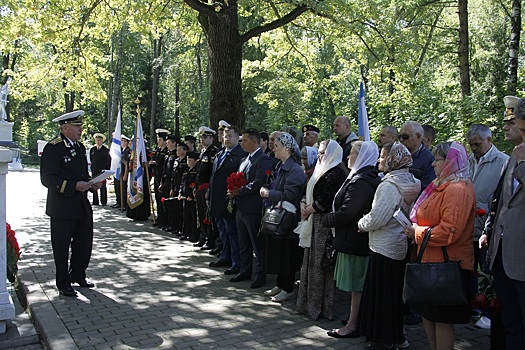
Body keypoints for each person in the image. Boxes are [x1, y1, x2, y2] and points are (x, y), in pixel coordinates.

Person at [405, 141, 475, 350]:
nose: (433, 164)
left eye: (437, 159)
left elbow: (449, 231)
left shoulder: (457, 189)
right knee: (429, 314)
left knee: (442, 318)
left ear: (451, 162)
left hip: (447, 264)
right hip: (430, 261)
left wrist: (416, 232)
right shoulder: (440, 184)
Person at [357, 142, 421, 348]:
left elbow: (378, 217)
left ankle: (384, 339)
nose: (379, 160)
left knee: (382, 295)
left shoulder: (388, 186)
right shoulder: (413, 181)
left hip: (383, 245)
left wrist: (361, 224)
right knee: (394, 295)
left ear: (393, 159)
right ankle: (397, 335)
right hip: (400, 243)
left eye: (383, 157)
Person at [321, 141, 380, 337]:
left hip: (355, 241)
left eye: (352, 154)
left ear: (361, 157)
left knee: (357, 285)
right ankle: (356, 319)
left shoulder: (362, 181)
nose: (347, 157)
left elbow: (348, 211)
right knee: (356, 286)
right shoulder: (358, 177)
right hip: (352, 239)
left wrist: (326, 219)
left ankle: (353, 325)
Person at [40, 110, 101, 297]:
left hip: (81, 205)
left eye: (80, 126)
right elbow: (48, 179)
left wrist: (92, 183)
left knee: (84, 242)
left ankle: (78, 274)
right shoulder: (54, 148)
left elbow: (82, 175)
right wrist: (74, 186)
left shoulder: (80, 147)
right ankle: (63, 282)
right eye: (77, 126)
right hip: (62, 207)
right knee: (61, 246)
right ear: (65, 128)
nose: (80, 129)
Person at [482, 96, 525, 350]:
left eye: (512, 122)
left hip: (521, 260)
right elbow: (503, 203)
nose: (507, 127)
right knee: (511, 325)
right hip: (503, 256)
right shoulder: (512, 156)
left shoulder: (517, 159)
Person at [296, 139, 347, 321]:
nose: (319, 155)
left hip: (324, 224)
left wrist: (309, 209)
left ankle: (320, 308)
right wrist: (303, 204)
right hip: (312, 220)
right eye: (319, 151)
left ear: (332, 153)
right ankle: (307, 304)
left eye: (323, 152)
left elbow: (326, 200)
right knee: (310, 264)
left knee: (321, 266)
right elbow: (307, 190)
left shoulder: (337, 172)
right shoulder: (320, 169)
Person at [466, 123, 508, 329]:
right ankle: (473, 306)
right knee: (469, 269)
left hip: (487, 226)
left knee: (487, 270)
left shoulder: (503, 162)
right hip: (467, 227)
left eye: (477, 144)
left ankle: (489, 312)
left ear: (489, 140)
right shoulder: (469, 161)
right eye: (471, 145)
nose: (474, 148)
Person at [259, 133, 306, 302]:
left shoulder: (294, 169)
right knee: (279, 253)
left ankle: (288, 287)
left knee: (287, 255)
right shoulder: (282, 165)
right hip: (281, 217)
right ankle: (280, 284)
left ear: (287, 149)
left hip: (289, 219)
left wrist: (268, 193)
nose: (274, 148)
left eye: (277, 146)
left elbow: (290, 194)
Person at [228, 128, 271, 288]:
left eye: (245, 140)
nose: (242, 143)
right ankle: (245, 270)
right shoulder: (244, 159)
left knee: (256, 243)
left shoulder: (263, 159)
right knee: (243, 241)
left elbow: (260, 182)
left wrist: (241, 191)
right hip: (241, 206)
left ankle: (261, 275)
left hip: (253, 208)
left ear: (254, 141)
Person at [208, 125, 247, 274]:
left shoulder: (241, 155)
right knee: (222, 231)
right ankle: (225, 256)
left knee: (233, 232)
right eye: (225, 136)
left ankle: (236, 262)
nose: (227, 139)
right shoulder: (220, 154)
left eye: (230, 136)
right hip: (217, 200)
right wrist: (209, 194)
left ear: (238, 137)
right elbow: (214, 177)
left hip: (230, 202)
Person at [193, 126, 219, 248]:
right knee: (201, 213)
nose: (202, 139)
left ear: (211, 139)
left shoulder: (214, 152)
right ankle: (203, 236)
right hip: (199, 187)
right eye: (201, 137)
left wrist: (208, 189)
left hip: (206, 188)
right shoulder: (203, 152)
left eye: (205, 137)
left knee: (208, 215)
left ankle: (210, 239)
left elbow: (211, 173)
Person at [398, 121, 436, 192]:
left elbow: (427, 188)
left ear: (418, 136)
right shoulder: (397, 155)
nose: (401, 140)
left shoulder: (429, 159)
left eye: (405, 137)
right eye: (399, 136)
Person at [150, 129, 170, 227]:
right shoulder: (158, 151)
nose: (158, 141)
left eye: (160, 140)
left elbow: (164, 166)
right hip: (157, 177)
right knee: (158, 199)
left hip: (163, 178)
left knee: (163, 200)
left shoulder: (166, 152)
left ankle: (164, 220)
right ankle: (159, 217)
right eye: (158, 139)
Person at [178, 151, 200, 242]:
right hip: (185, 197)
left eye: (190, 160)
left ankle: (194, 235)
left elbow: (195, 184)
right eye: (187, 160)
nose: (188, 162)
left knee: (193, 217)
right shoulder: (186, 170)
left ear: (195, 161)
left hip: (192, 198)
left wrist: (191, 196)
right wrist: (180, 193)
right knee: (185, 216)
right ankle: (185, 233)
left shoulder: (196, 171)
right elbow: (182, 183)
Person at [89, 133, 111, 206]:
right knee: (94, 185)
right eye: (97, 140)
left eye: (99, 140)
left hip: (102, 171)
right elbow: (92, 160)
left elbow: (108, 161)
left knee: (102, 186)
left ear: (102, 141)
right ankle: (95, 201)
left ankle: (103, 201)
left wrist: (107, 171)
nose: (98, 142)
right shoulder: (93, 149)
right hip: (94, 170)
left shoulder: (105, 150)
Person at [112, 135, 130, 209]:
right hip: (119, 172)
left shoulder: (127, 151)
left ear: (126, 142)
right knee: (118, 188)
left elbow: (127, 164)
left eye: (122, 141)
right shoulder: (121, 151)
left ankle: (124, 204)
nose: (121, 143)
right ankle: (119, 202)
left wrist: (125, 175)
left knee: (123, 189)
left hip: (123, 172)